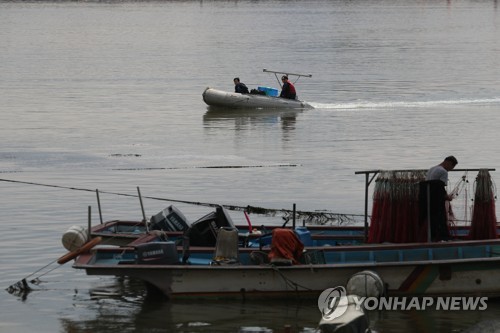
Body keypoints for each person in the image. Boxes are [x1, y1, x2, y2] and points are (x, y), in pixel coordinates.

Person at [419, 155, 458, 241]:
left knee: (432, 220)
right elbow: (440, 189)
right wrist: (448, 197)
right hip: (436, 200)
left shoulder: (432, 169)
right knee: (440, 220)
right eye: (452, 167)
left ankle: (433, 238)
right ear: (448, 163)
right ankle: (443, 238)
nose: (451, 169)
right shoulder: (444, 172)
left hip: (427, 198)